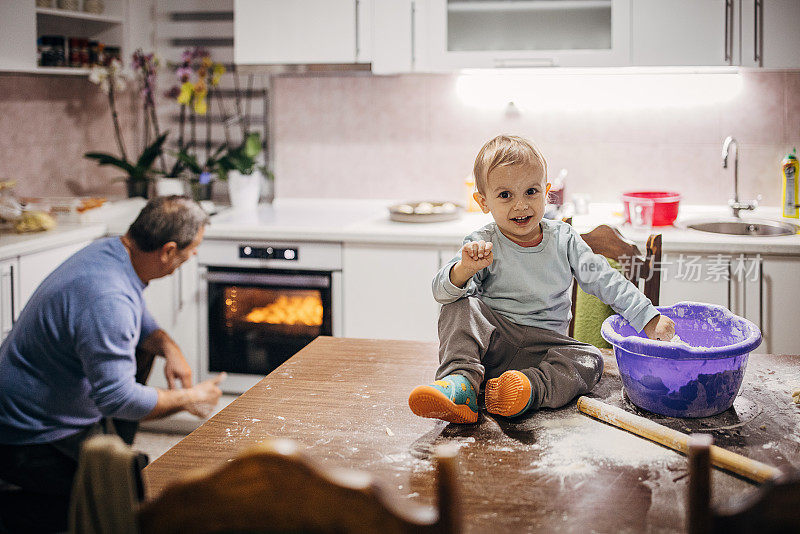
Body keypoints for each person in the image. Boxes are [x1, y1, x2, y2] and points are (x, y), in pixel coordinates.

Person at [408, 135, 675, 424]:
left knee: (590, 360)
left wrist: (647, 316)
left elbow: (606, 280)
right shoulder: (482, 243)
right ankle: (461, 385)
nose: (521, 205)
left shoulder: (564, 239)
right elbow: (441, 292)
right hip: (495, 346)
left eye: (531, 191)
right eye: (505, 195)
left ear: (546, 193)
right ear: (483, 202)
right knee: (459, 305)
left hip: (548, 349)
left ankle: (527, 389)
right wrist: (464, 269)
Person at [0, 195, 225, 533]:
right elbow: (118, 398)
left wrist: (169, 345)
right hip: (29, 435)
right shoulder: (107, 298)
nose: (193, 255)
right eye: (191, 249)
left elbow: (135, 317)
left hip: (35, 401)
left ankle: (103, 450)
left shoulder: (113, 253)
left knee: (143, 350)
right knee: (126, 494)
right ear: (166, 251)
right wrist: (191, 398)